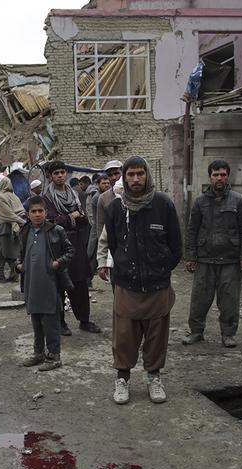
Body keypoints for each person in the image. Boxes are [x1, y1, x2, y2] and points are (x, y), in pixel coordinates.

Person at [97, 156, 181, 405]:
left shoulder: (163, 204)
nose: (135, 179)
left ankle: (153, 377)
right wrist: (121, 267)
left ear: (147, 176)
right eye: (130, 174)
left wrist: (161, 269)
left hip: (157, 285)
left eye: (140, 174)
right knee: (124, 336)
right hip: (126, 284)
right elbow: (112, 243)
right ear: (124, 177)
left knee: (157, 335)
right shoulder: (114, 208)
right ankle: (122, 379)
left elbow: (176, 246)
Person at [183, 160, 242, 348]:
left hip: (230, 260)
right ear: (210, 177)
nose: (219, 178)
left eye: (222, 174)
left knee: (229, 300)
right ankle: (196, 332)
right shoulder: (200, 201)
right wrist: (191, 256)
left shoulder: (238, 200)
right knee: (199, 298)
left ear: (228, 176)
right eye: (215, 174)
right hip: (205, 259)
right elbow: (192, 230)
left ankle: (228, 334)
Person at [42, 160, 101, 335]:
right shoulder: (47, 198)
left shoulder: (74, 195)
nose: (60, 175)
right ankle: (60, 322)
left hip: (76, 244)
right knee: (58, 284)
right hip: (56, 245)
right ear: (50, 176)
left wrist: (68, 218)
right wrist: (72, 217)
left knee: (80, 283)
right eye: (56, 173)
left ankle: (84, 320)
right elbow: (51, 221)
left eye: (62, 172)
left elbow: (83, 218)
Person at [17, 195, 74, 372]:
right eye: (33, 211)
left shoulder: (55, 230)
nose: (37, 214)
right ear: (28, 214)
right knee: (36, 320)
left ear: (46, 212)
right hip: (31, 284)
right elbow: (20, 252)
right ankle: (39, 353)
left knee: (51, 322)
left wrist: (58, 262)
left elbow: (70, 251)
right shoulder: (25, 231)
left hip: (50, 284)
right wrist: (19, 264)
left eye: (40, 211)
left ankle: (54, 356)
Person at [0, 177, 26, 282]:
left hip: (4, 227)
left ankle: (0, 276)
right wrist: (20, 221)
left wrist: (18, 220)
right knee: (8, 252)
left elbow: (6, 213)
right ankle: (13, 274)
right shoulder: (14, 196)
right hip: (14, 227)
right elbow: (20, 211)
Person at [91, 160, 124, 257]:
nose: (114, 177)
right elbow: (100, 225)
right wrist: (103, 253)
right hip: (114, 243)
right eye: (110, 175)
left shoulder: (131, 194)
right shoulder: (103, 198)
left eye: (116, 173)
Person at [85, 174, 111, 285]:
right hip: (97, 231)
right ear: (97, 184)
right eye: (103, 183)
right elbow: (97, 218)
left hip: (103, 229)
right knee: (92, 257)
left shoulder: (106, 195)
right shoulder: (98, 197)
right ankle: (87, 281)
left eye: (107, 183)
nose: (106, 185)